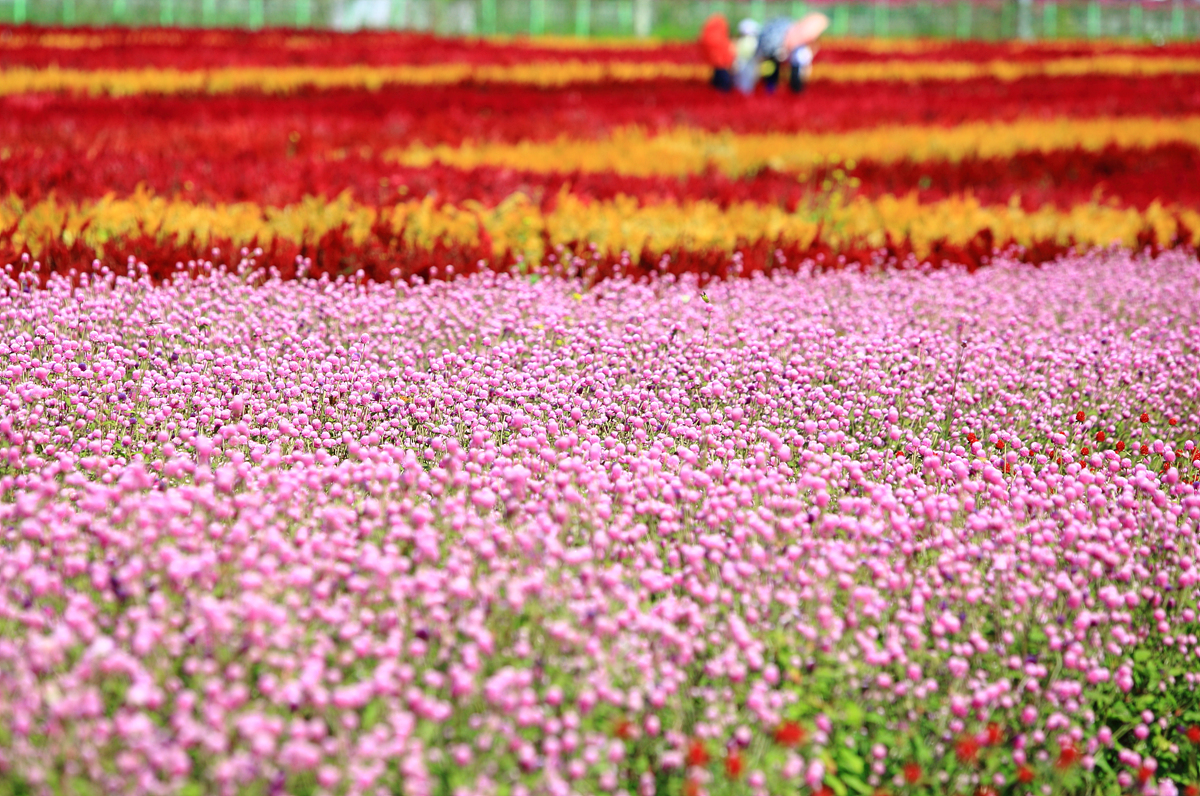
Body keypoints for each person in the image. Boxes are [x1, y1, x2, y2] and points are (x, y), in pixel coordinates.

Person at [698, 14, 736, 92]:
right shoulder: (719, 38)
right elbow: (728, 52)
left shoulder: (709, 36)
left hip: (717, 65)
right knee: (723, 83)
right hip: (722, 66)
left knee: (717, 81)